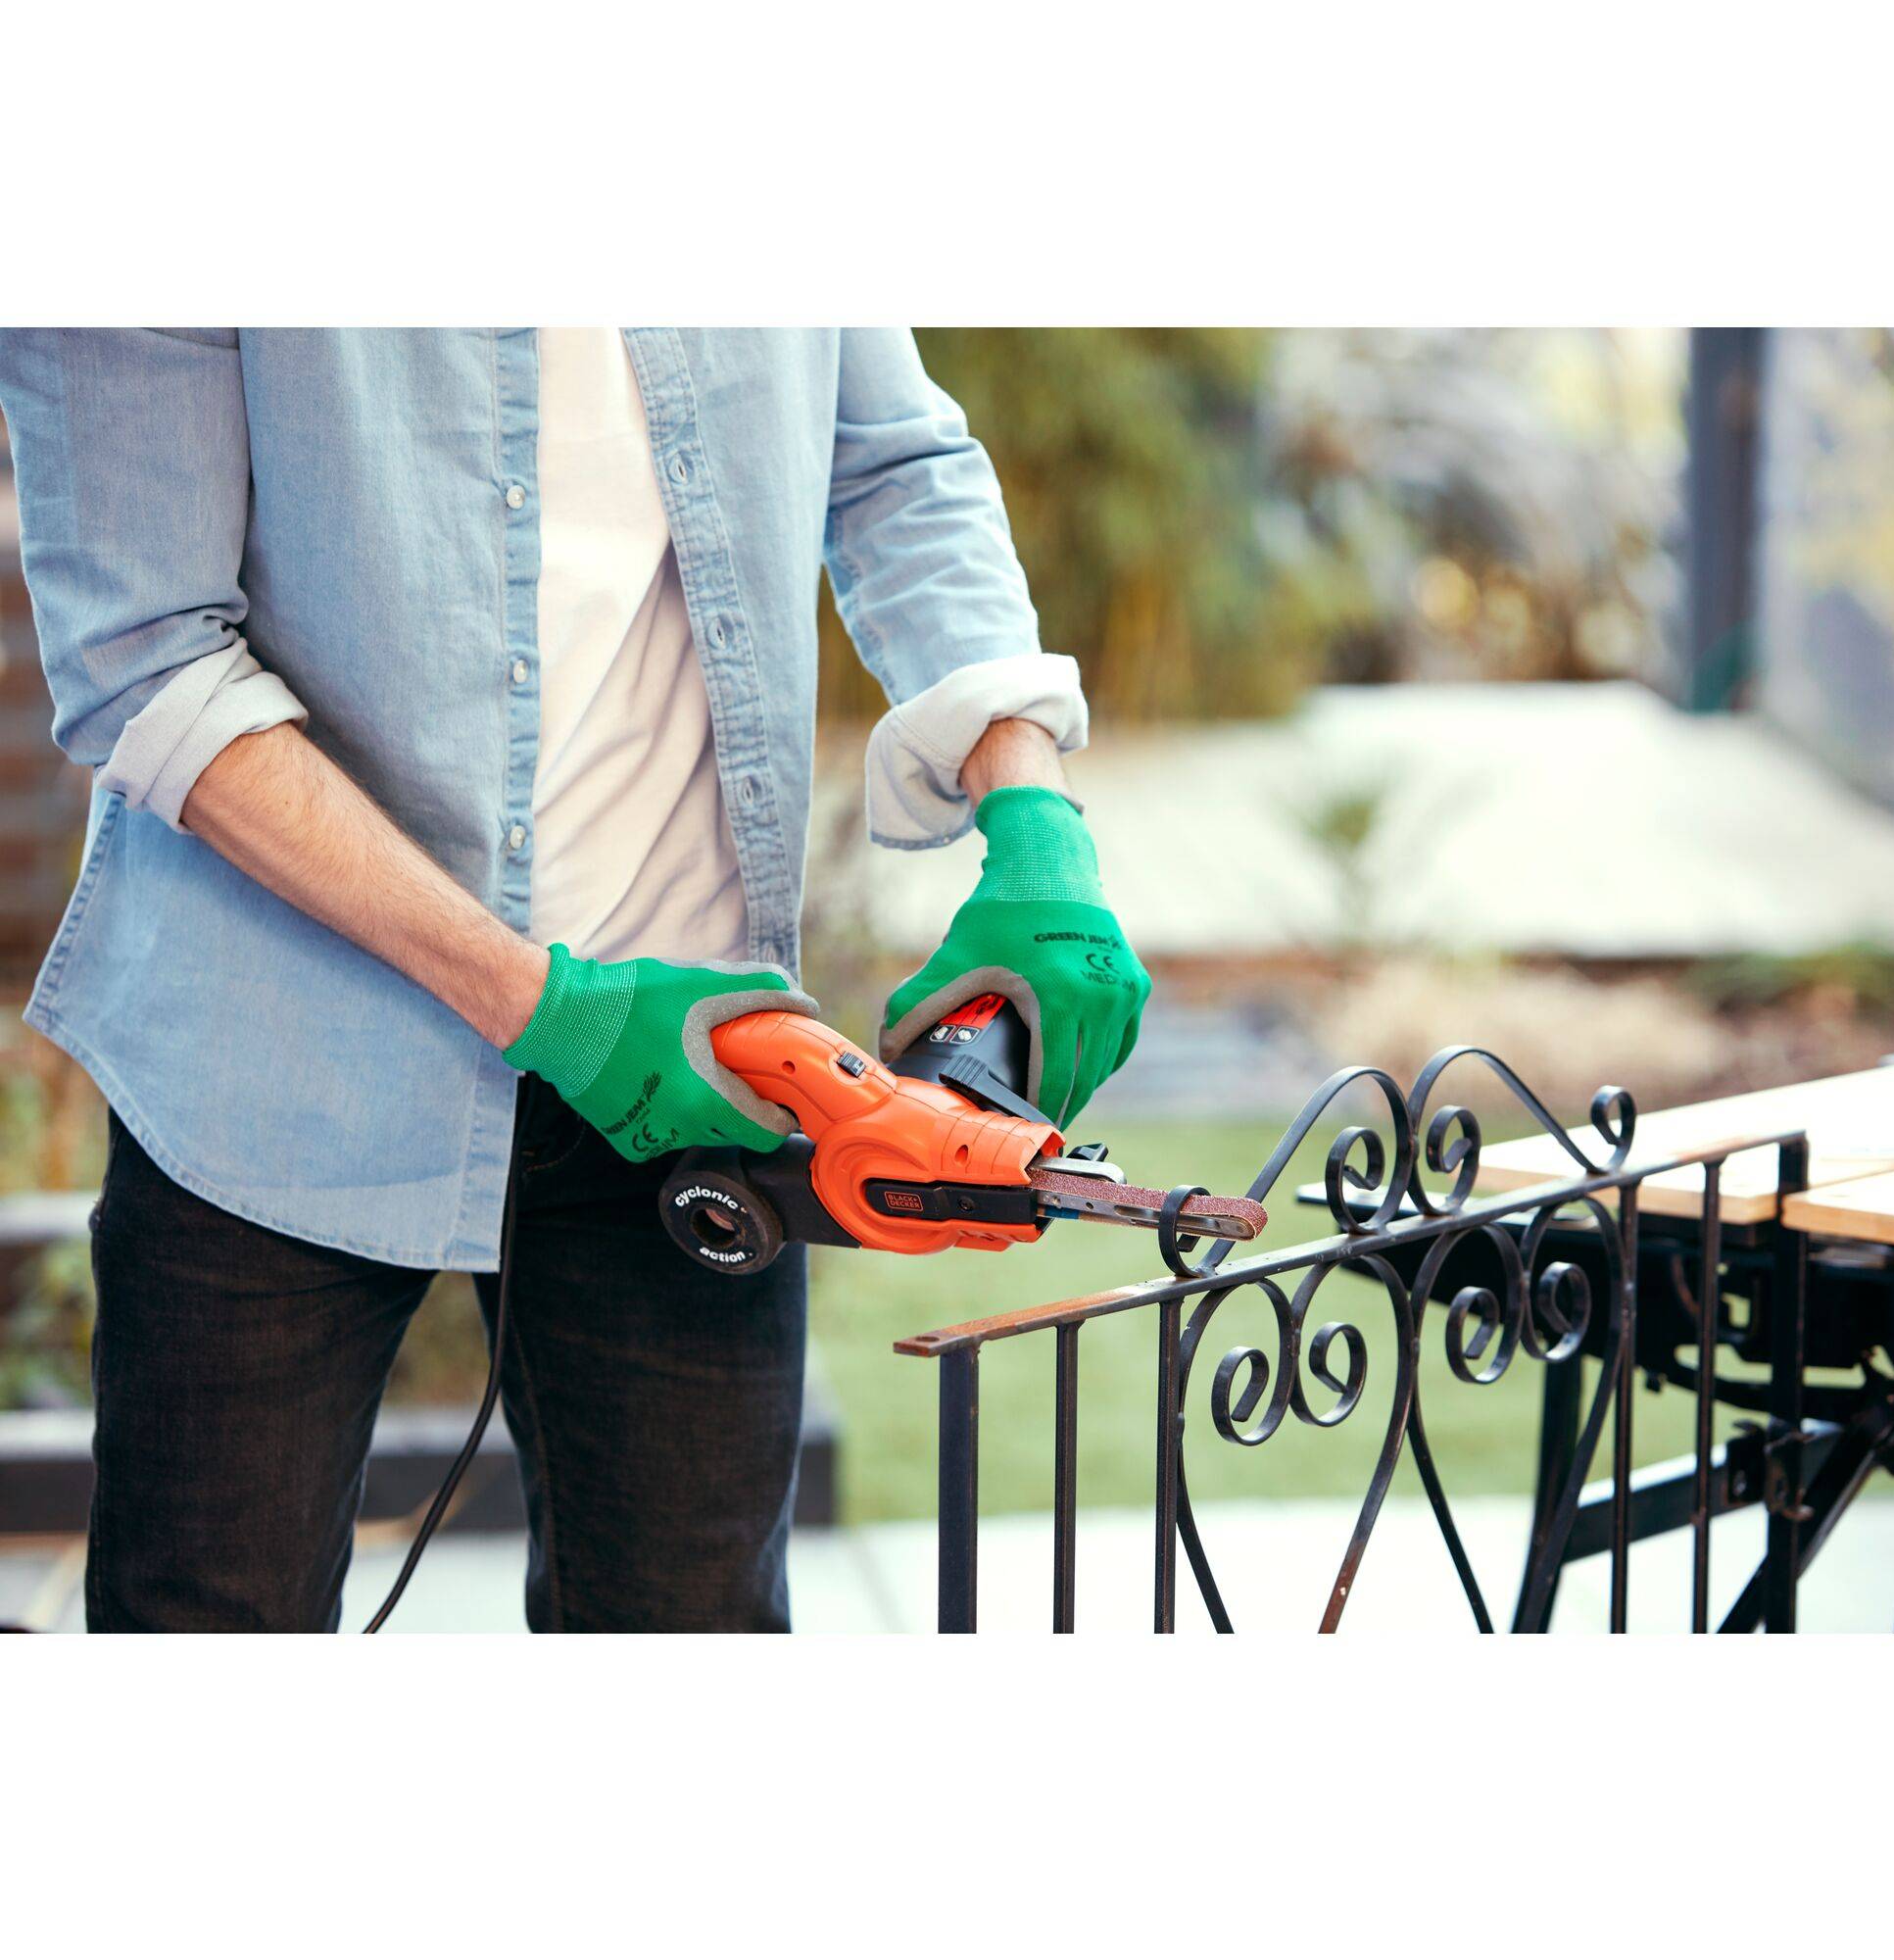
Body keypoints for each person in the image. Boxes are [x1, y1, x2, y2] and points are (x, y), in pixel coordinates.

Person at [0, 328, 1150, 1633]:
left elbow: (894, 465)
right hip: (273, 1059)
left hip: (699, 1067)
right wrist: (544, 1007)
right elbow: (146, 657)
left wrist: (1033, 809)